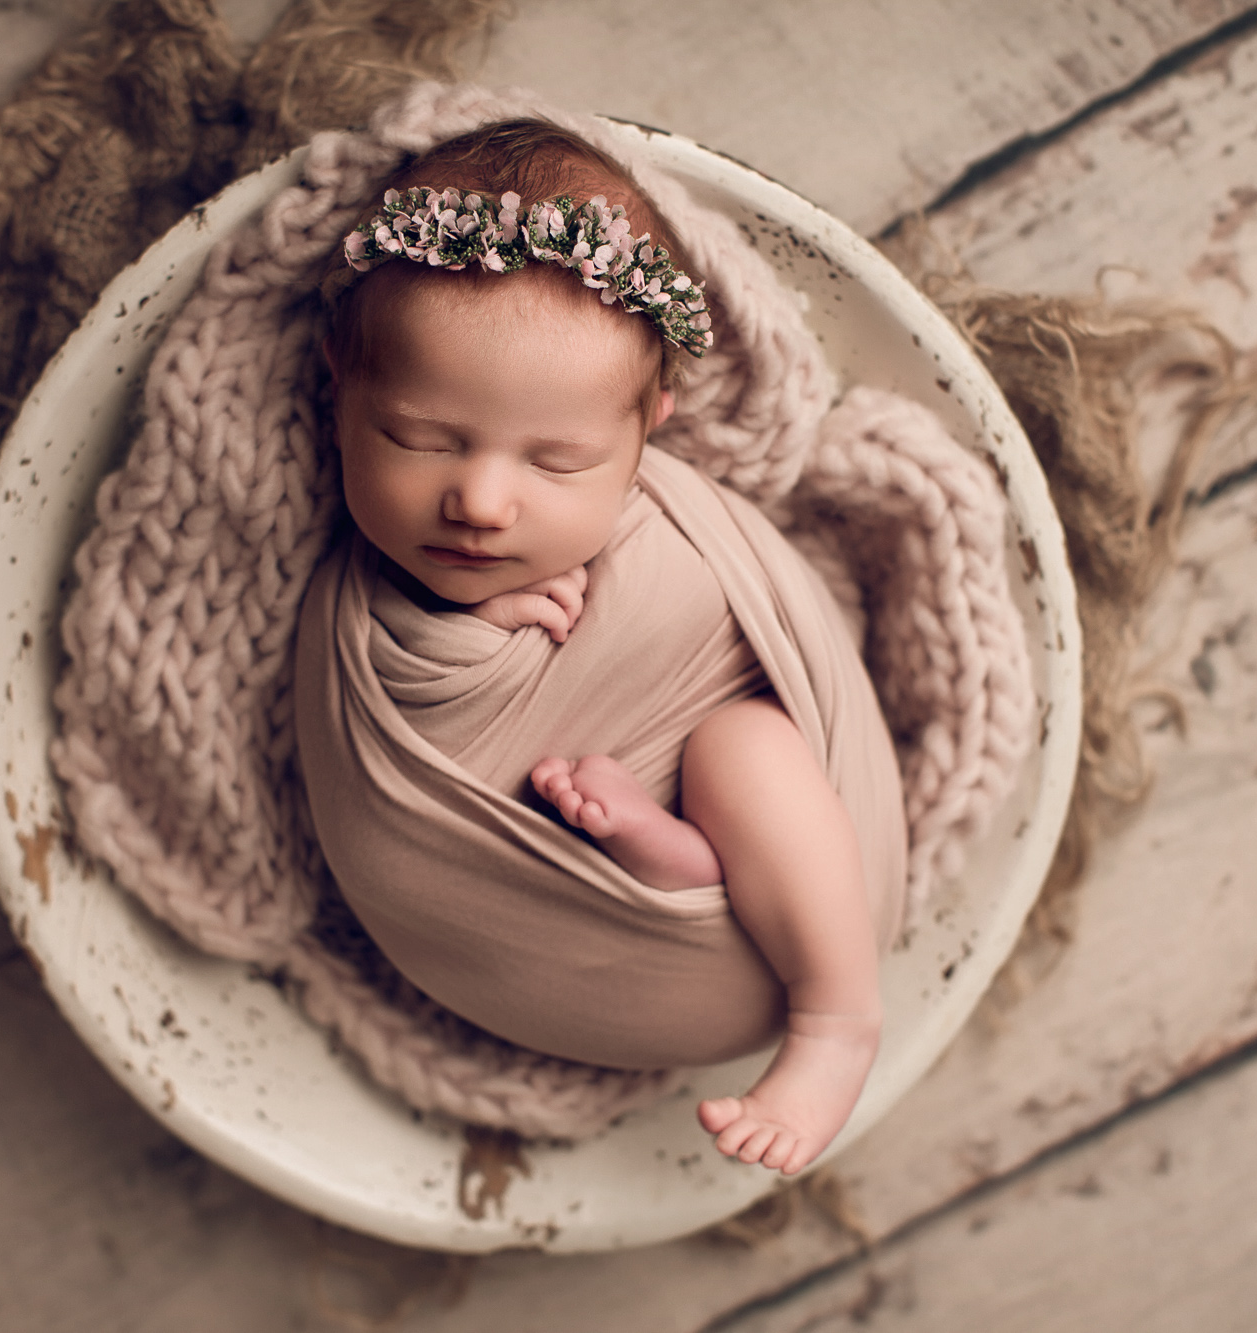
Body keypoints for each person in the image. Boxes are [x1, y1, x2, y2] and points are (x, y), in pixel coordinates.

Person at [303, 120, 905, 1176]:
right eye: (418, 437)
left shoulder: (676, 523)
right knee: (714, 766)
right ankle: (674, 861)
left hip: (822, 893)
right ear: (338, 392)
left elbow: (775, 628)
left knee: (743, 746)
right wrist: (451, 643)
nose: (480, 500)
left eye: (560, 460)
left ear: (645, 433)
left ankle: (838, 1017)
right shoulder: (347, 607)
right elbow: (371, 745)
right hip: (577, 966)